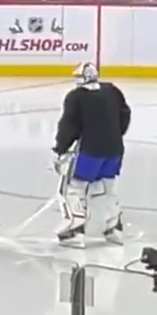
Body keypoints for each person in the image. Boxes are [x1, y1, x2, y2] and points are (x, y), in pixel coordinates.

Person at [52, 62, 131, 245]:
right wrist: (115, 134)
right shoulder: (112, 90)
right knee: (108, 187)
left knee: (75, 187)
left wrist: (60, 148)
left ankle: (75, 230)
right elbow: (125, 113)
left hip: (90, 151)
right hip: (115, 149)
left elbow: (69, 125)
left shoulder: (76, 97)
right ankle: (113, 228)